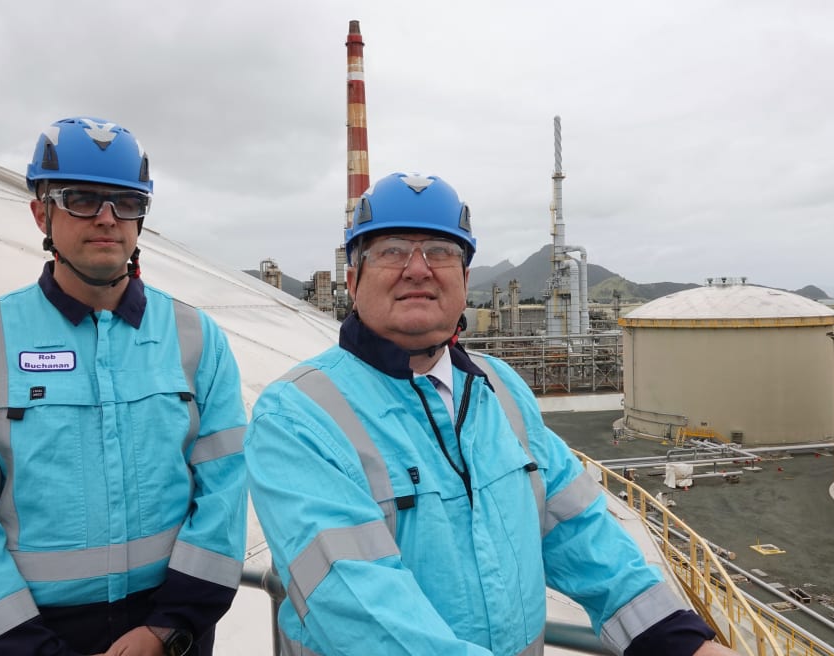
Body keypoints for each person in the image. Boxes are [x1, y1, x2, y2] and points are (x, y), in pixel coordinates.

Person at [244, 171, 737, 655]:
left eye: (440, 252)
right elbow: (356, 609)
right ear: (352, 280)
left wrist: (677, 641)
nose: (418, 269)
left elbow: (578, 528)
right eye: (391, 251)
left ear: (464, 279)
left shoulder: (500, 389)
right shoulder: (299, 415)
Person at [0, 117, 247, 656]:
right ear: (40, 212)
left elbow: (224, 496)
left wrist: (167, 631)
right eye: (82, 199)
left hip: (170, 633)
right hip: (31, 636)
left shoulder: (195, 338)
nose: (108, 219)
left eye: (127, 202)